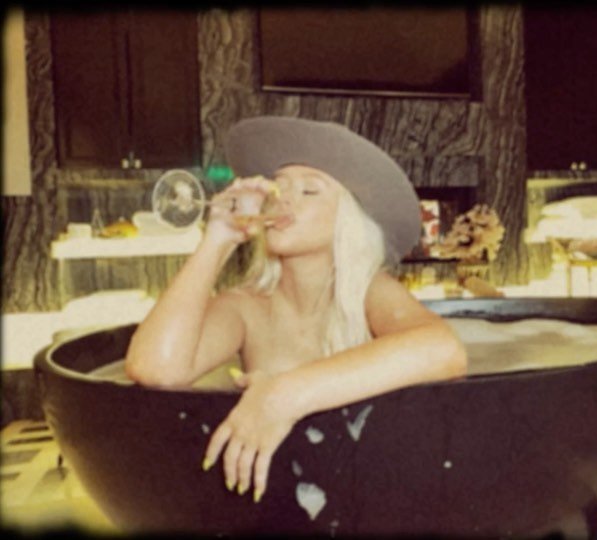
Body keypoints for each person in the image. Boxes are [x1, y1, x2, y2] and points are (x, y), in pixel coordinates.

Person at [124, 116, 467, 504]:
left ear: (348, 217)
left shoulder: (370, 292)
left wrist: (281, 396)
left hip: (362, 500)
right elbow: (155, 368)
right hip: (277, 502)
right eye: (278, 186)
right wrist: (218, 239)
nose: (283, 199)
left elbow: (444, 350)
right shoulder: (246, 306)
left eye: (309, 190)